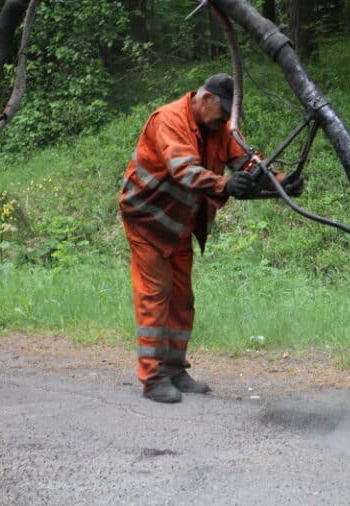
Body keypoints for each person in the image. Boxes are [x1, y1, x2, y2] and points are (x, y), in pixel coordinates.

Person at [119, 73, 304, 403]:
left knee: (182, 298)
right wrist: (225, 185)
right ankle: (152, 377)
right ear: (204, 100)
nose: (224, 122)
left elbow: (247, 160)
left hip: (179, 223)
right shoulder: (169, 120)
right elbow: (184, 170)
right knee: (155, 294)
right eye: (222, 113)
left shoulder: (217, 128)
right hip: (147, 221)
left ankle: (174, 369)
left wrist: (280, 181)